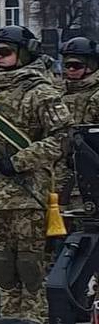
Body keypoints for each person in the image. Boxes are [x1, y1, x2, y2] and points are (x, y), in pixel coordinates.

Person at [0, 25, 70, 324]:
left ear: (24, 53)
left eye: (5, 52)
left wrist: (19, 160)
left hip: (27, 191)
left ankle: (35, 323)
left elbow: (62, 137)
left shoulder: (40, 91)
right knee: (2, 263)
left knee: (29, 262)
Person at [57, 36, 99, 204]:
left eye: (77, 65)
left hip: (89, 176)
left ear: (92, 65)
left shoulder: (96, 96)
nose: (71, 69)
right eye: (67, 65)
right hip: (57, 175)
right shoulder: (56, 92)